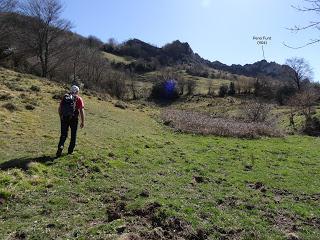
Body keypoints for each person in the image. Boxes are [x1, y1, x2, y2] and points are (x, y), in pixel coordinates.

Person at [56, 85, 85, 157]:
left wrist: (61, 117)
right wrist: (82, 121)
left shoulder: (65, 97)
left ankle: (60, 147)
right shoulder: (79, 99)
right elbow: (81, 111)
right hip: (74, 119)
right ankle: (70, 151)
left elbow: (59, 108)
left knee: (63, 134)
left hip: (64, 118)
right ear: (77, 92)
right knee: (73, 135)